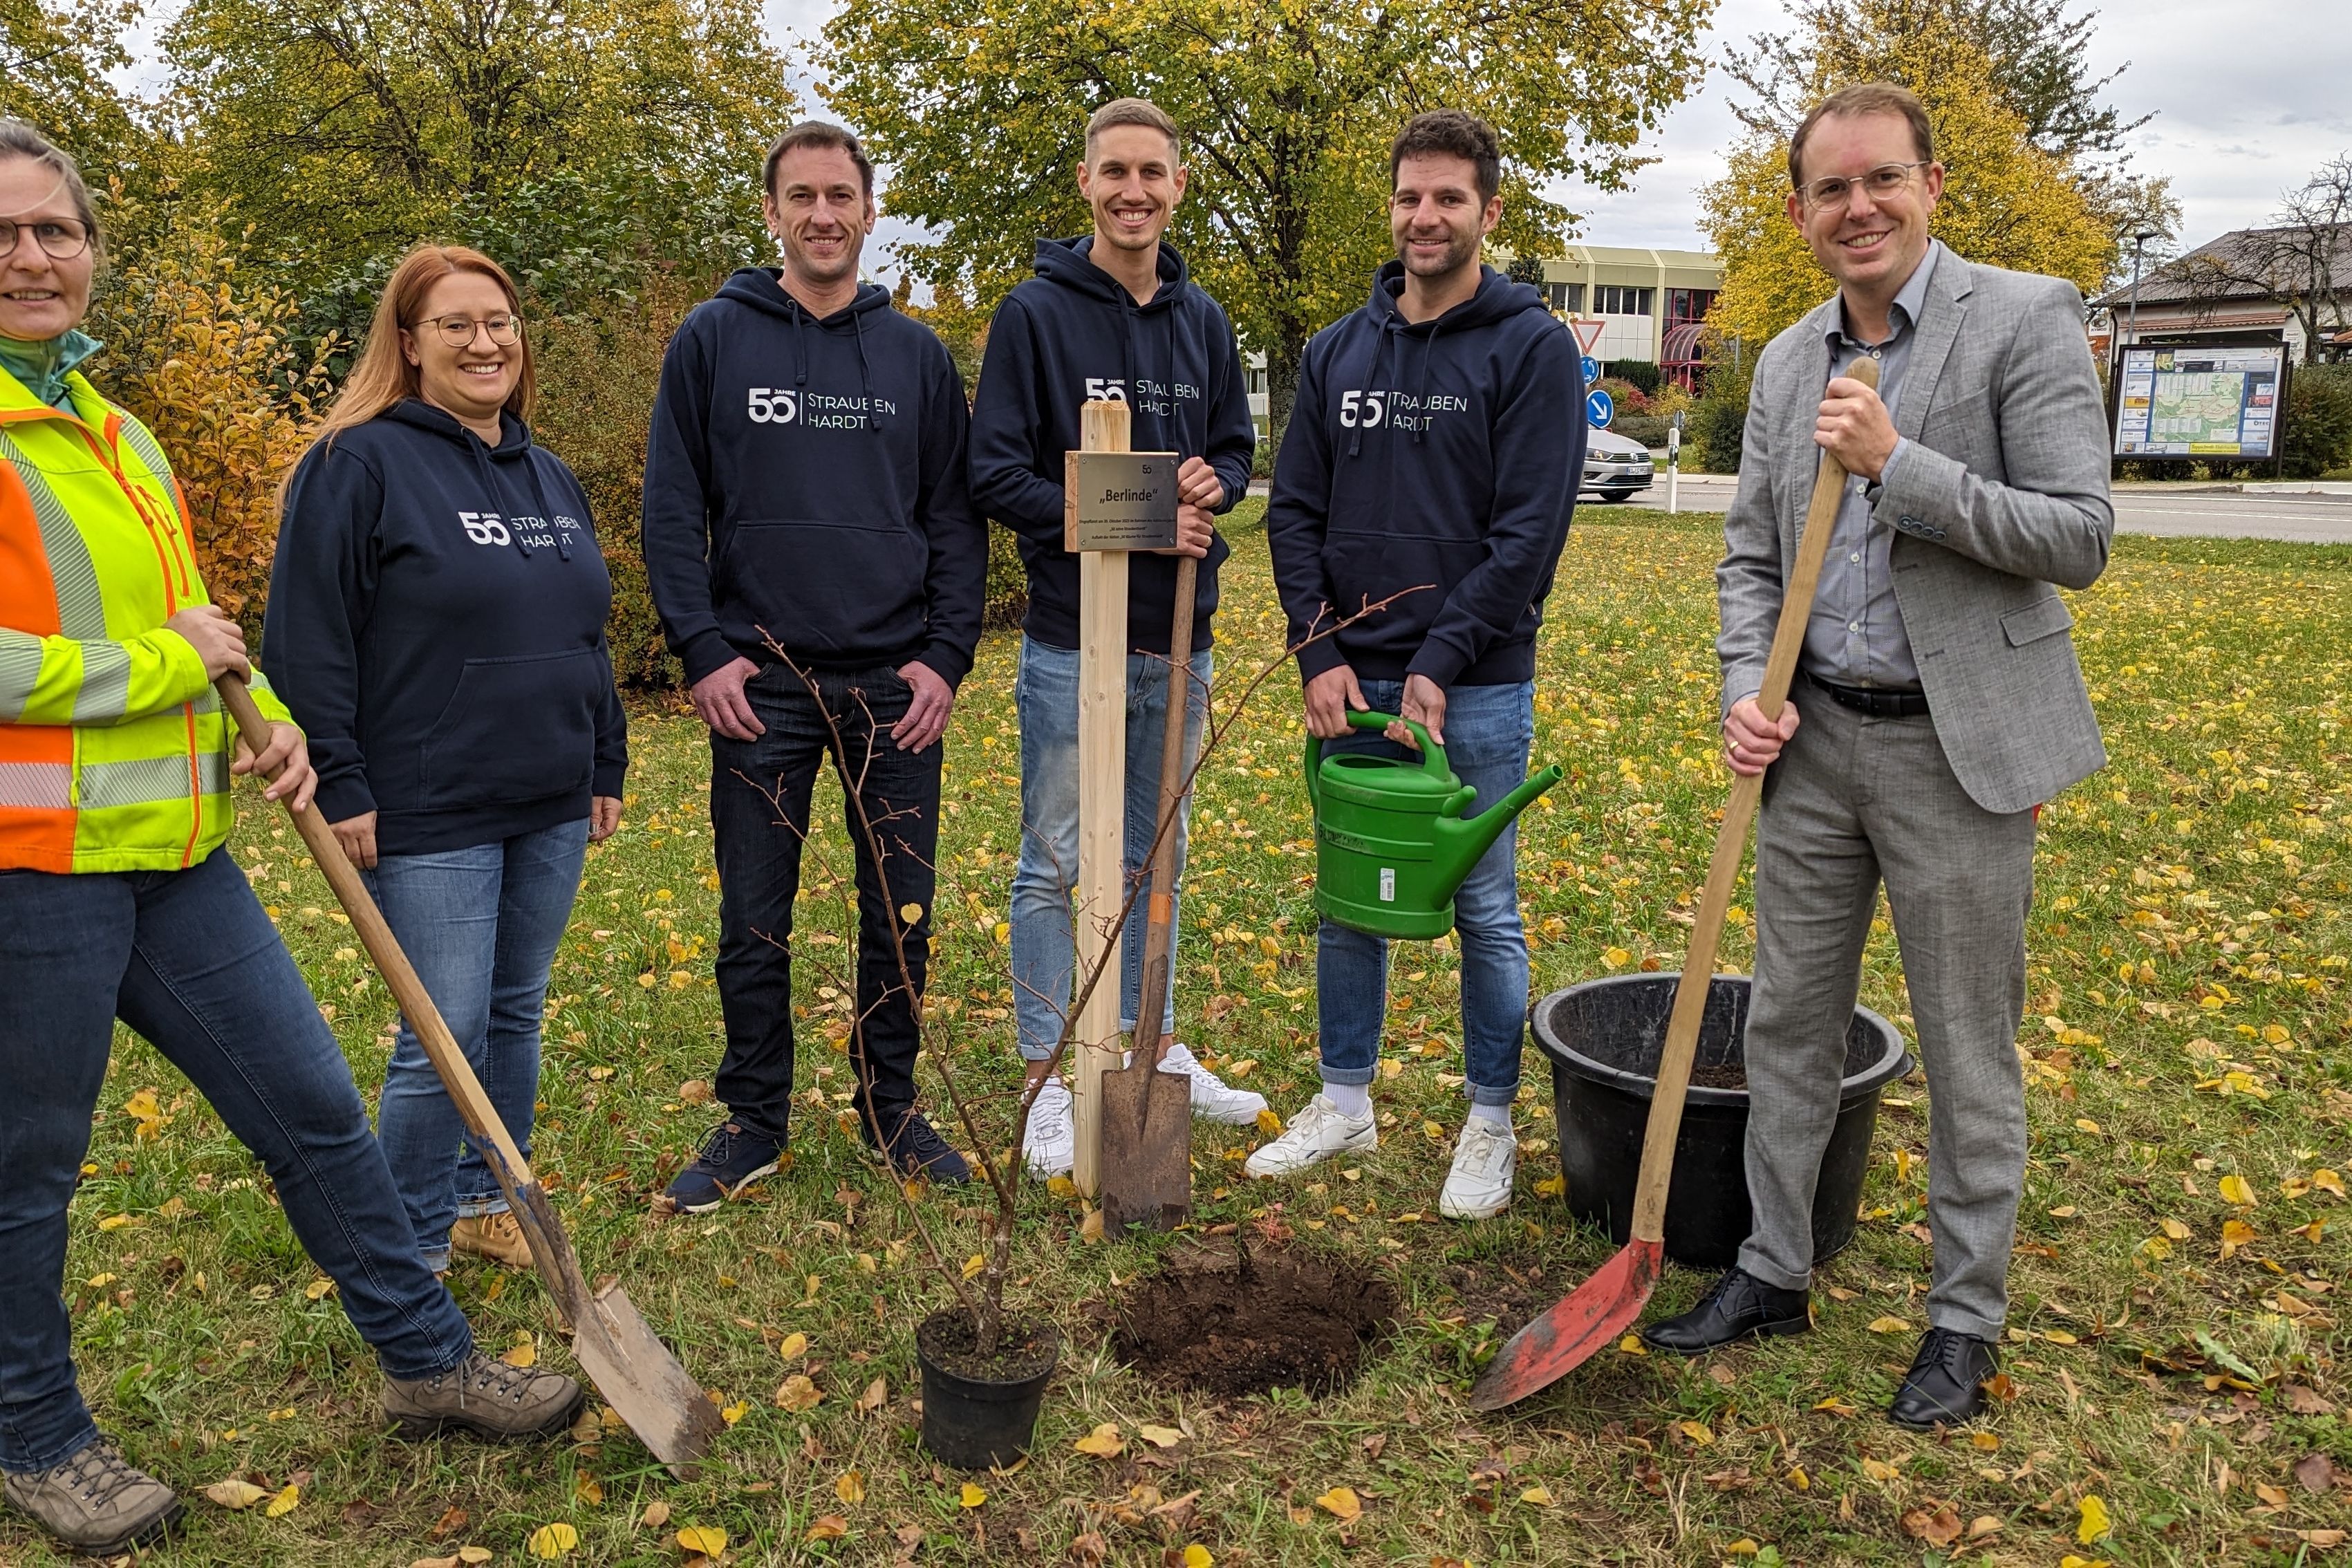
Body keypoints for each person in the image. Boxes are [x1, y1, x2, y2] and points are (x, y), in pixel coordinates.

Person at [0, 122, 583, 1558]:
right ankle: (34, 1435)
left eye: (53, 231)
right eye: (3, 236)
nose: (32, 257)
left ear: (89, 251)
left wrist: (252, 714)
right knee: (30, 1167)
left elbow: (201, 629)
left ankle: (425, 1355)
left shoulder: (114, 431)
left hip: (178, 854)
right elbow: (139, 645)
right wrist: (158, 666)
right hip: (31, 872)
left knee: (316, 1111)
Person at [1639, 84, 2113, 1430]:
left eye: (1881, 181)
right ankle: (1774, 1270)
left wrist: (1904, 466)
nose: (1859, 208)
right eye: (1831, 189)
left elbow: (2079, 533)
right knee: (1786, 1023)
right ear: (1800, 213)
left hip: (1960, 755)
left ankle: (1963, 1321)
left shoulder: (2022, 321)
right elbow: (1748, 558)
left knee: (1970, 1049)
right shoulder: (1789, 362)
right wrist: (1748, 686)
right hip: (1814, 747)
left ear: (1931, 185)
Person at [264, 244, 628, 1276]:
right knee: (443, 1033)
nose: (484, 341)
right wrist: (339, 778)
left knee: (514, 1011)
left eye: (500, 321)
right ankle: (407, 1249)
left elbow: (584, 629)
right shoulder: (355, 463)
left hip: (551, 794)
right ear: (410, 344)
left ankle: (483, 1198)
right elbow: (308, 637)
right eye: (456, 324)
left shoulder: (546, 471)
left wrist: (605, 759)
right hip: (429, 804)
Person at [643, 121, 986, 1206]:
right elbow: (668, 511)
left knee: (899, 915)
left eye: (841, 195)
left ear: (870, 211)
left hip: (896, 690)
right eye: (802, 196)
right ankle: (753, 1122)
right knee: (754, 917)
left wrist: (944, 658)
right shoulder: (713, 339)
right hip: (762, 689)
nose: (823, 214)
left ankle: (892, 1112)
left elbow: (955, 521)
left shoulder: (917, 356)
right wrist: (702, 651)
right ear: (772, 212)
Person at [1254, 109, 1583, 1220]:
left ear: (1488, 211)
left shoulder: (1529, 347)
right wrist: (1319, 648)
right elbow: (1292, 509)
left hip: (1477, 684)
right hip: (1352, 682)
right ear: (1390, 211)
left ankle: (1488, 1119)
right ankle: (1344, 1099)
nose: (1424, 217)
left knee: (1482, 905)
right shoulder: (1339, 350)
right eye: (1408, 198)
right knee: (1351, 900)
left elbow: (1528, 533)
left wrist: (1444, 656)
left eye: (1447, 198)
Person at [969, 97, 1265, 1175]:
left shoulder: (1204, 321)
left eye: (1152, 172)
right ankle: (1049, 1071)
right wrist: (1145, 511)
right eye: (1113, 173)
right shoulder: (1033, 316)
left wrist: (1210, 480)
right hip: (1069, 642)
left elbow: (1232, 454)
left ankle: (1152, 1040)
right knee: (1054, 859)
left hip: (1180, 637)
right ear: (1086, 186)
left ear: (1178, 185)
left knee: (1155, 855)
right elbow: (993, 472)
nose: (1133, 191)